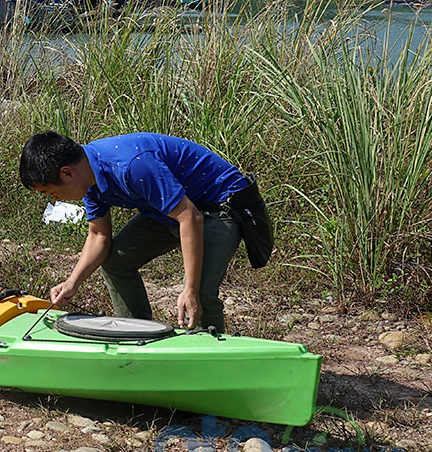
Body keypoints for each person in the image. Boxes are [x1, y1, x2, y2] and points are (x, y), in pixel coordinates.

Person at [19, 131, 261, 332]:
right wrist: (73, 282)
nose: (54, 198)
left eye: (50, 192)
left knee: (201, 294)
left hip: (218, 207)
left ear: (67, 173)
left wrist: (190, 289)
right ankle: (138, 334)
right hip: (172, 210)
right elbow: (98, 236)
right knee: (116, 261)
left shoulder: (131, 165)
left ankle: (211, 359)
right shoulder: (88, 178)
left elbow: (190, 218)